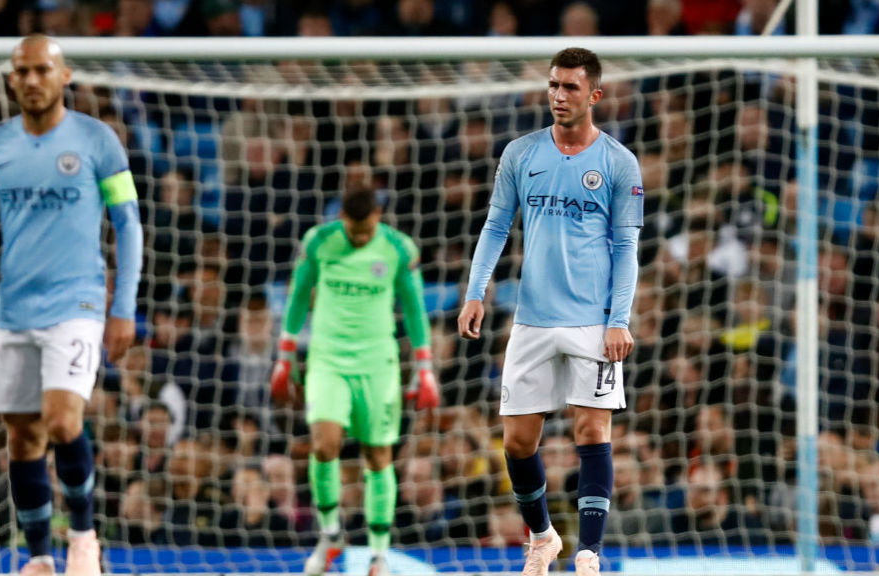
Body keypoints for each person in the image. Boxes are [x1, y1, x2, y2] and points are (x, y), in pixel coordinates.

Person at [0, 35, 143, 576]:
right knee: (21, 436)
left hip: (78, 304)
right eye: (21, 71)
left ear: (64, 75)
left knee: (64, 422)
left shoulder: (98, 141)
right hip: (14, 311)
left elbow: (128, 225)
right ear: (10, 78)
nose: (31, 79)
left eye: (42, 69)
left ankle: (85, 537)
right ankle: (41, 556)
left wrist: (125, 306)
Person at [458, 47, 644, 576]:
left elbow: (626, 247)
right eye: (553, 86)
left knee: (592, 431)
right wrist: (477, 291)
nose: (559, 96)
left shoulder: (618, 163)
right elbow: (496, 227)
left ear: (595, 96)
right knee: (517, 442)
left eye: (570, 88)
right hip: (532, 319)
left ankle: (589, 552)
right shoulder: (521, 153)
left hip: (592, 320)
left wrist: (619, 319)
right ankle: (543, 537)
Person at [270, 185, 440, 576]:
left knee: (378, 457)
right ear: (342, 217)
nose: (360, 237)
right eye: (353, 229)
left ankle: (379, 554)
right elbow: (298, 296)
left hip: (377, 364)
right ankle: (330, 534)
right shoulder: (320, 242)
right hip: (328, 359)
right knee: (323, 444)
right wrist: (284, 356)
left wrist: (425, 367)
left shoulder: (398, 248)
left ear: (377, 217)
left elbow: (414, 310)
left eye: (365, 230)